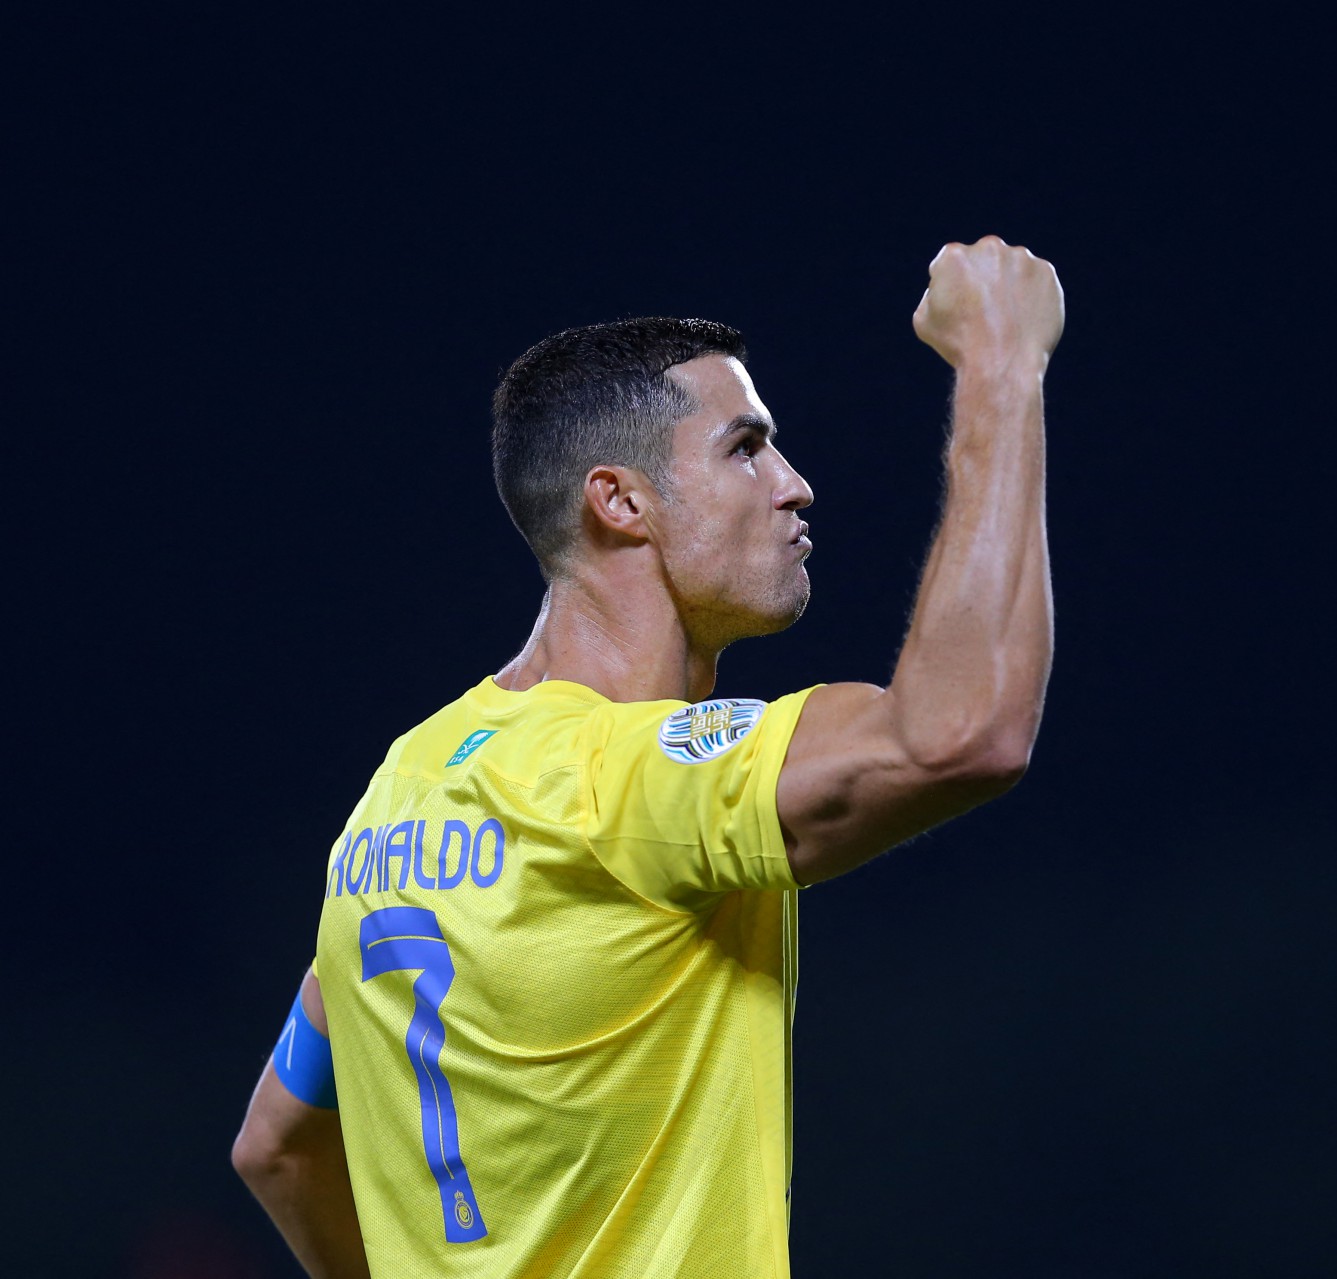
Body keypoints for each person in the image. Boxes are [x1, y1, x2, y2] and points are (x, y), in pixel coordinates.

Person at [231, 236, 1063, 1278]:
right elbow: (963, 733)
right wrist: (1000, 364)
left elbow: (276, 1145)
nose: (795, 485)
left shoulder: (397, 798)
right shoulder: (620, 779)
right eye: (746, 448)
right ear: (619, 502)